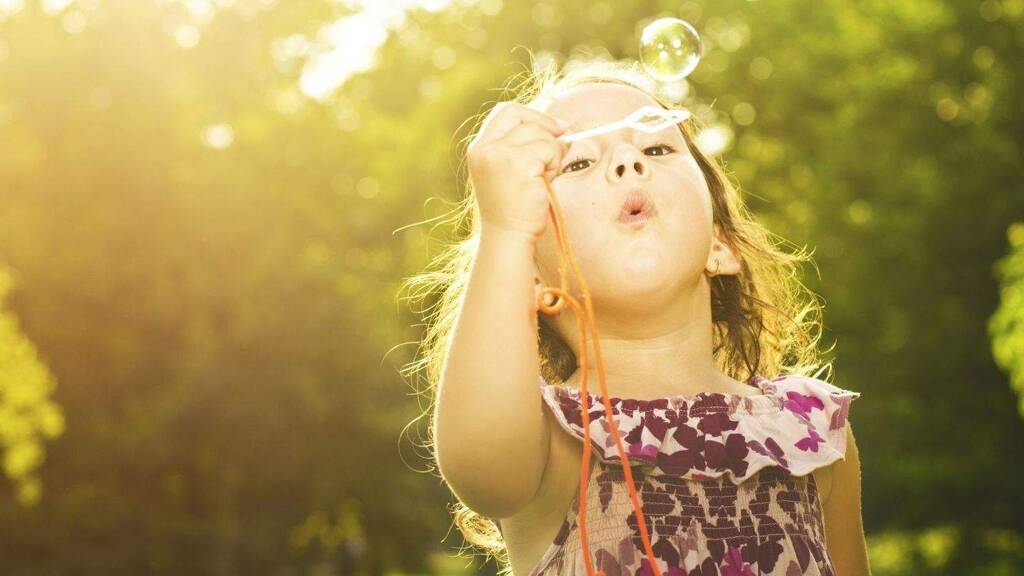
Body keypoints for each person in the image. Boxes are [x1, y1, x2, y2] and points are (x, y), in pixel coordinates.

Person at [408, 57, 871, 576]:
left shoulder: (810, 437)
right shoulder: (551, 440)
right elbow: (482, 471)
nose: (629, 161)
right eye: (579, 163)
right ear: (531, 279)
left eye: (656, 147)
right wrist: (504, 230)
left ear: (720, 244)